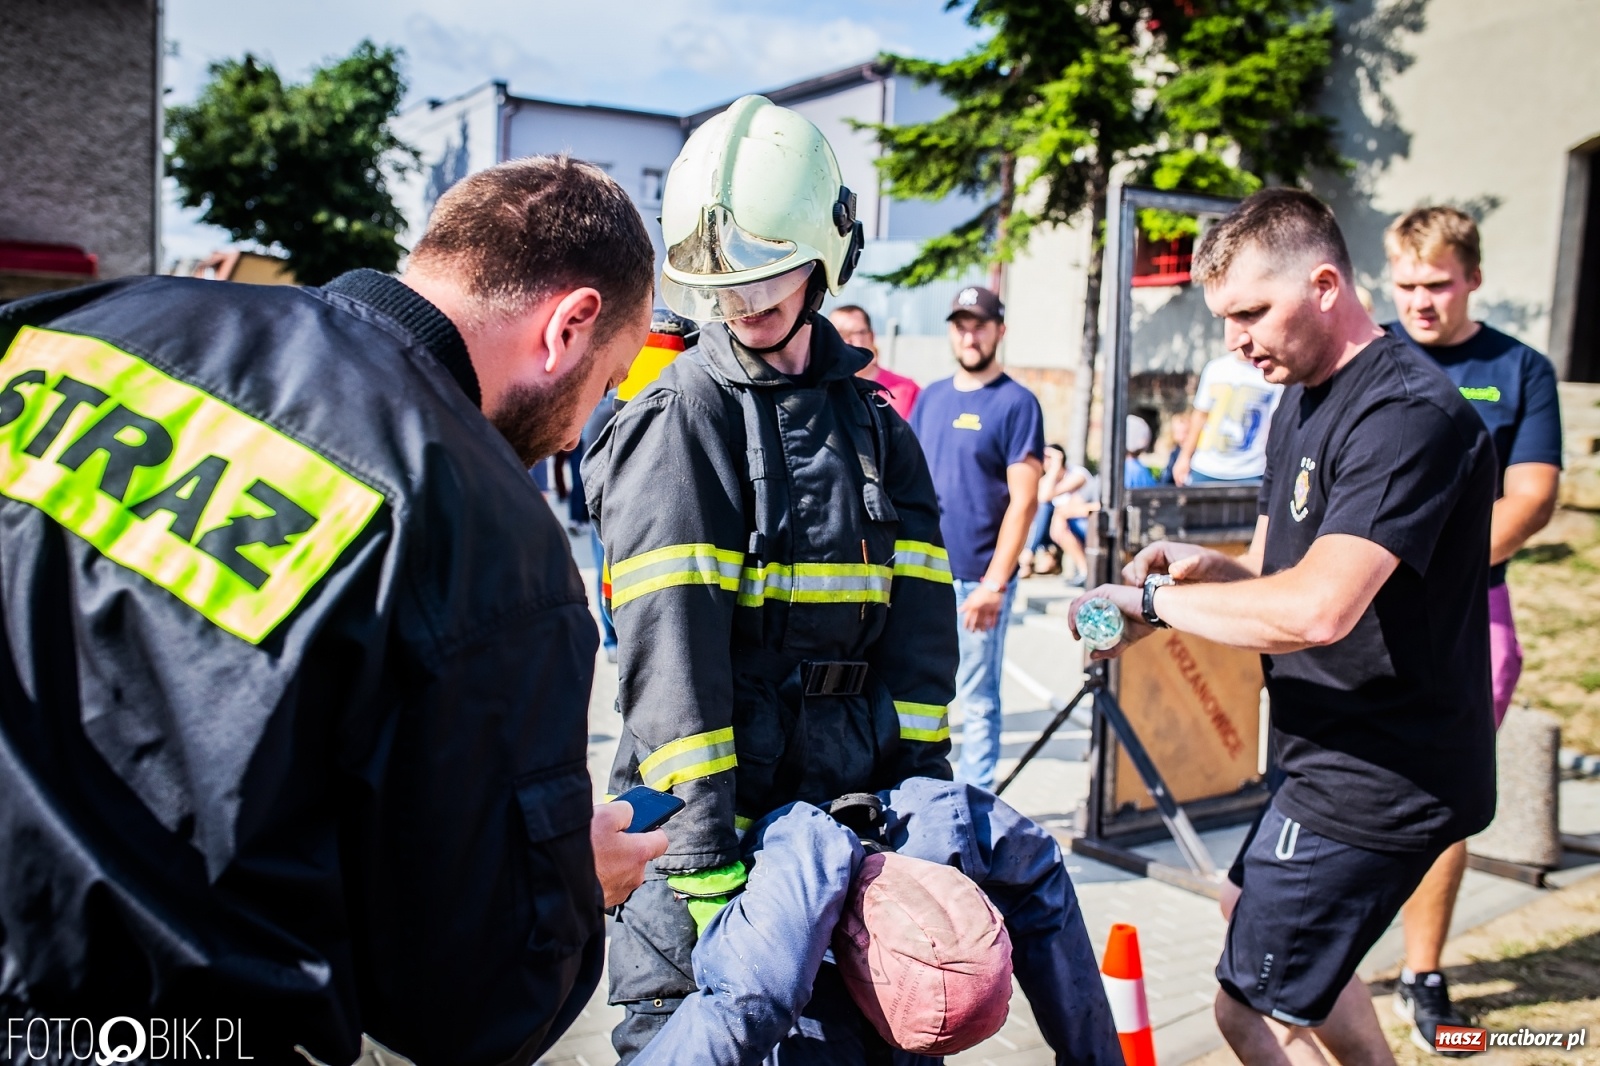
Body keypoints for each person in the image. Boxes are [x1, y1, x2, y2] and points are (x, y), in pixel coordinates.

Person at [0, 156, 668, 1066]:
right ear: (570, 326)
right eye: (610, 380)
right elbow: (471, 1003)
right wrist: (567, 885)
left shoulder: (86, 325)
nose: (582, 422)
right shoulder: (485, 536)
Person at [1070, 189, 1497, 1066]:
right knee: (1254, 925)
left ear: (1327, 284)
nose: (1236, 339)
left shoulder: (1408, 415)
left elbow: (1317, 609)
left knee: (1248, 1011)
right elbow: (1276, 580)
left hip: (1382, 772)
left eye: (1253, 312)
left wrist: (1151, 607)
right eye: (1226, 316)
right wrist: (1203, 576)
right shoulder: (1299, 401)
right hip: (1322, 752)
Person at [581, 95, 960, 1063]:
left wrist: (920, 797)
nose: (742, 304)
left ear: (830, 250)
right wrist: (705, 860)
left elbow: (919, 642)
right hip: (706, 817)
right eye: (721, 286)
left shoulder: (879, 427)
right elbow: (669, 652)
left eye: (762, 276)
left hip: (845, 802)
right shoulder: (681, 417)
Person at [1385, 205, 1563, 1052]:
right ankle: (1321, 962)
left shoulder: (1518, 368)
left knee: (1442, 802)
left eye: (1439, 285)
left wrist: (1425, 569)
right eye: (1407, 284)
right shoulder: (1369, 354)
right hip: (1360, 607)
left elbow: (1531, 498)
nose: (1422, 302)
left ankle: (1423, 972)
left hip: (1468, 611)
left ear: (1474, 279)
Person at [911, 285, 1044, 791]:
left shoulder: (1017, 403)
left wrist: (995, 582)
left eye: (980, 325)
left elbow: (1025, 500)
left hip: (975, 581)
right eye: (962, 325)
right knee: (921, 693)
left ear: (999, 331)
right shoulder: (932, 397)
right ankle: (927, 793)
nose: (970, 335)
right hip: (923, 576)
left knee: (978, 697)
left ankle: (975, 802)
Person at [1172, 349, 1284, 486]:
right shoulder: (1215, 368)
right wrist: (1184, 458)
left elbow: (1275, 425)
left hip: (1251, 471)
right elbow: (1200, 416)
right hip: (1206, 468)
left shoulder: (1272, 375)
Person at [830, 303, 921, 420]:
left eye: (856, 333)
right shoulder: (818, 390)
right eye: (838, 333)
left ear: (871, 336)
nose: (847, 340)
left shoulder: (907, 390)